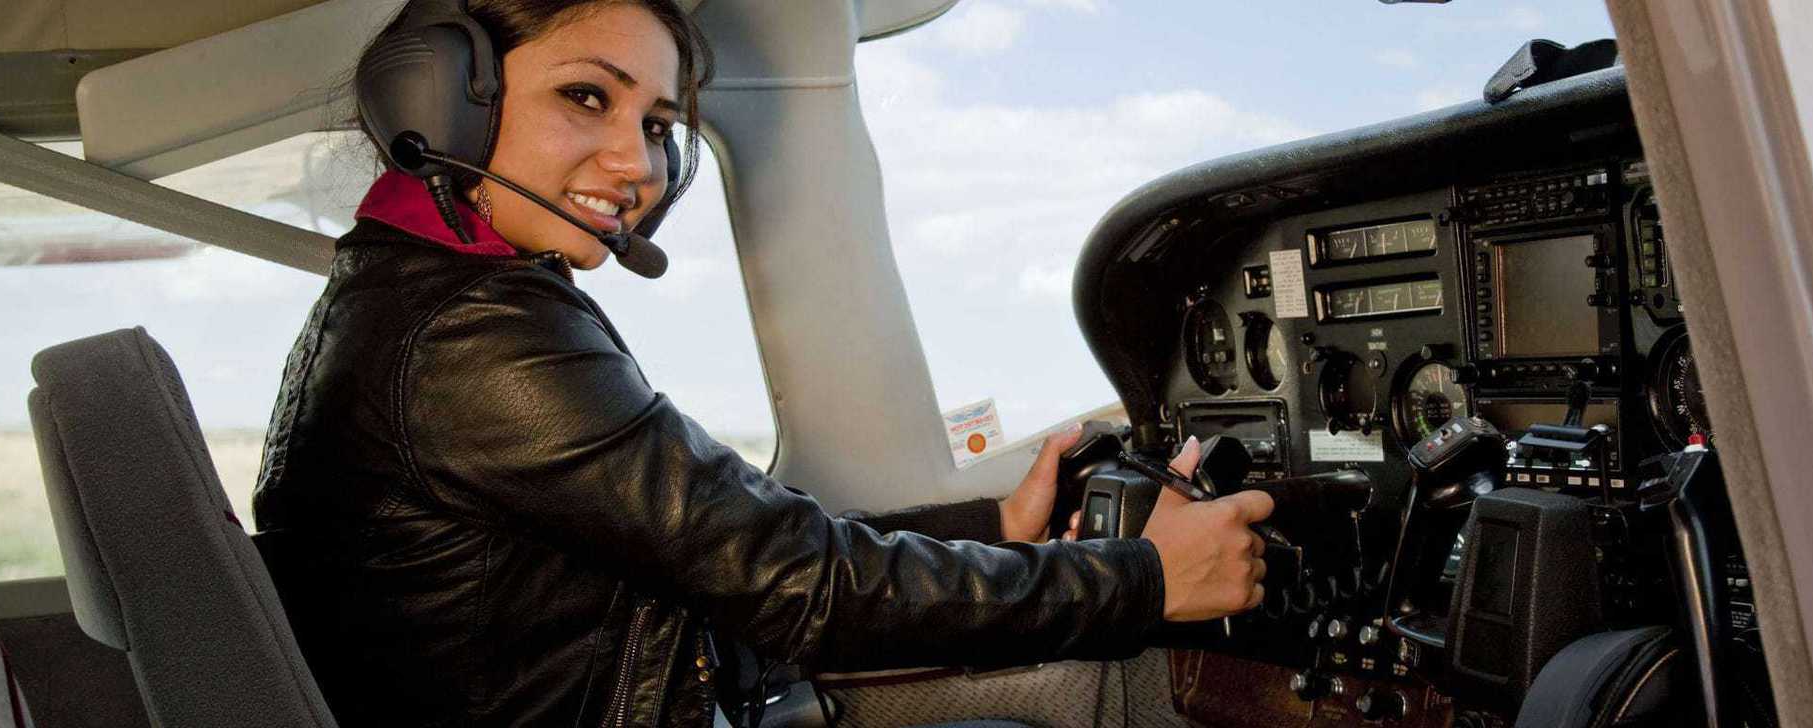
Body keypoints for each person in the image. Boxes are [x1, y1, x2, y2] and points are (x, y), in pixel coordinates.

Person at [251, 1, 1275, 726]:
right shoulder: (478, 341)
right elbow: (803, 586)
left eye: (656, 126)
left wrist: (990, 522)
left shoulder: (408, 299)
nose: (638, 165)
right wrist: (1143, 580)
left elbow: (719, 546)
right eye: (586, 97)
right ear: (442, 99)